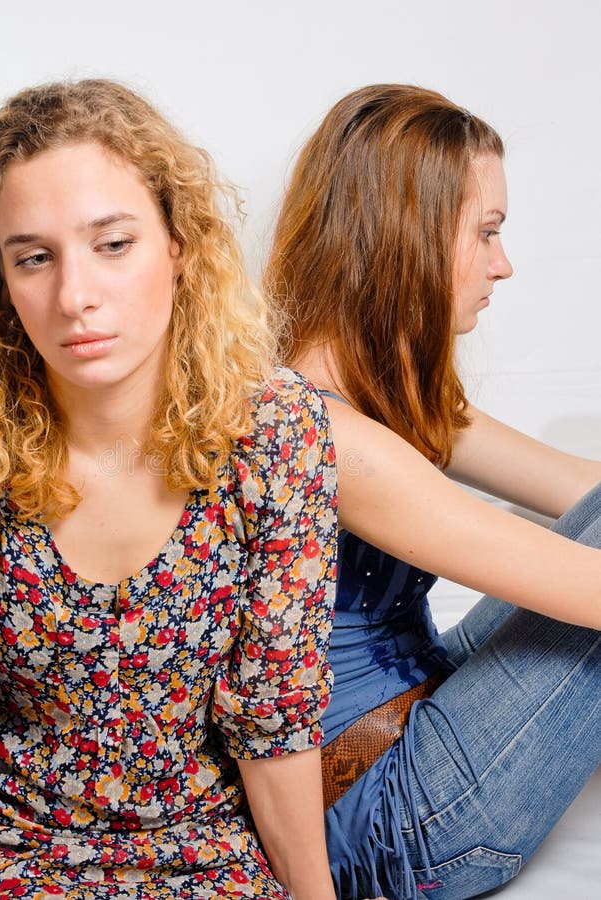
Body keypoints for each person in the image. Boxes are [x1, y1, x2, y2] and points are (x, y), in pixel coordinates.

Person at [0, 79, 341, 900]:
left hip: (200, 852)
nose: (75, 296)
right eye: (34, 257)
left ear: (179, 243)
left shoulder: (276, 432)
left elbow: (275, 717)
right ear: (0, 283)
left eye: (113, 244)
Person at [265, 84, 601, 900]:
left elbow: (583, 492)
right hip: (394, 816)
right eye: (486, 233)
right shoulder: (330, 438)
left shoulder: (390, 392)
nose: (504, 264)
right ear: (405, 238)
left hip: (423, 709)